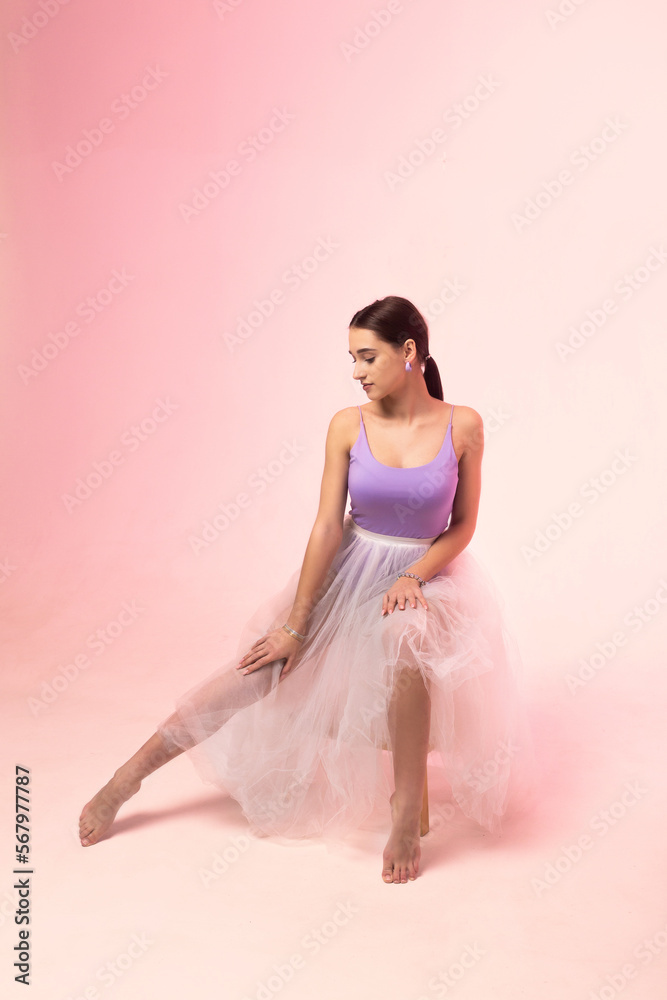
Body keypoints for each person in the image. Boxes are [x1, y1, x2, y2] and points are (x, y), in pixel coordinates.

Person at [79, 295, 533, 884]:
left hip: (425, 578)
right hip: (350, 570)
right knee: (260, 667)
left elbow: (463, 525)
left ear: (408, 352)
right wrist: (296, 623)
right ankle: (128, 777)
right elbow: (326, 526)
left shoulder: (462, 425)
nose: (357, 371)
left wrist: (413, 575)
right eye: (352, 359)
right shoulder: (348, 425)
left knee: (406, 642)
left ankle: (403, 812)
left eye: (367, 357)